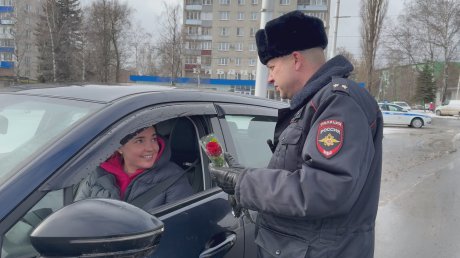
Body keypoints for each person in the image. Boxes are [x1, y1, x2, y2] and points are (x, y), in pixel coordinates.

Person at [209, 10, 383, 258]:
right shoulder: (315, 104)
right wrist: (242, 176)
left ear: (296, 60)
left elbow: (324, 189)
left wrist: (244, 183)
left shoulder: (338, 103)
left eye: (272, 67)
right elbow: (295, 174)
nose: (269, 78)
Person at [74, 125, 193, 210]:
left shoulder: (174, 179)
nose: (151, 147)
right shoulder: (98, 173)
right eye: (140, 141)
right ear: (119, 148)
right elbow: (75, 216)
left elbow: (176, 227)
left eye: (153, 139)